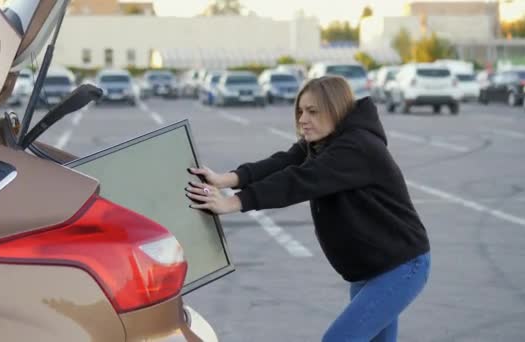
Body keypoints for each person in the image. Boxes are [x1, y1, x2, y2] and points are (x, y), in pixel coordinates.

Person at [185, 75, 431, 342]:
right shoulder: (324, 143)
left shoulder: (356, 147)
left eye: (313, 111)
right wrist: (226, 179)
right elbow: (283, 163)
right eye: (300, 111)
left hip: (401, 266)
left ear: (335, 109)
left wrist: (232, 203)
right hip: (369, 269)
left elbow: (297, 181)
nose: (303, 119)